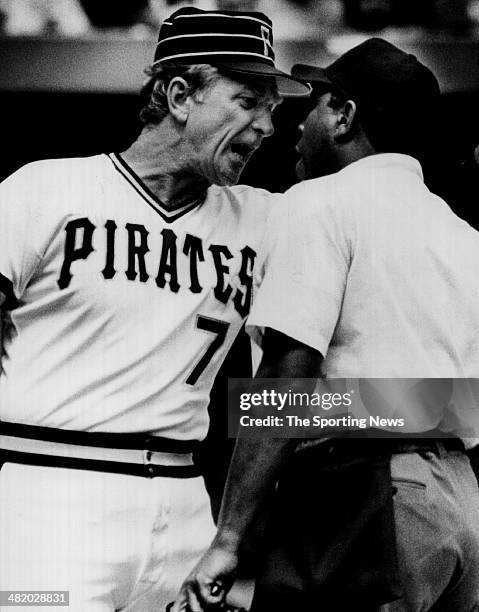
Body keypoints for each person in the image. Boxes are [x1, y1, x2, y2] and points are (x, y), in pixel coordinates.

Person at [0, 6, 309, 612]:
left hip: (186, 502)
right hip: (49, 490)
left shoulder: (267, 220)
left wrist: (438, 422)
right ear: (178, 94)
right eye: (248, 100)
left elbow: (285, 385)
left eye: (272, 108)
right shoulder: (44, 189)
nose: (268, 125)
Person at [173, 38, 479, 612]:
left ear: (344, 116)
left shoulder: (319, 201)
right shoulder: (463, 235)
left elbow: (287, 385)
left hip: (371, 495)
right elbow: (461, 404)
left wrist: (230, 536)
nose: (294, 123)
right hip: (463, 501)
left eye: (313, 102)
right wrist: (393, 405)